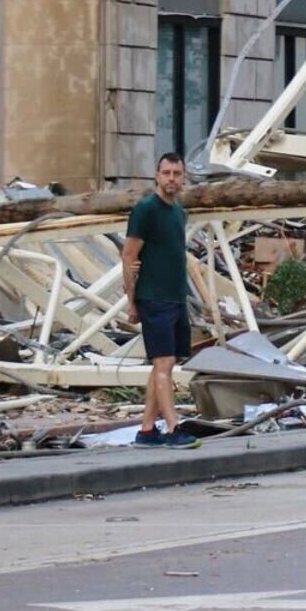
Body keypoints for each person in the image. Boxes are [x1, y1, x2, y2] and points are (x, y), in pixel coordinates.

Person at [124, 152, 199, 449]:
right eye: (166, 173)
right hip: (154, 297)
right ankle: (172, 428)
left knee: (165, 364)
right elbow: (129, 256)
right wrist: (132, 300)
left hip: (175, 296)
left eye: (176, 174)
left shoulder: (178, 213)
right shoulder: (146, 210)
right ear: (156, 176)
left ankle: (146, 430)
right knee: (164, 362)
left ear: (183, 178)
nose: (171, 179)